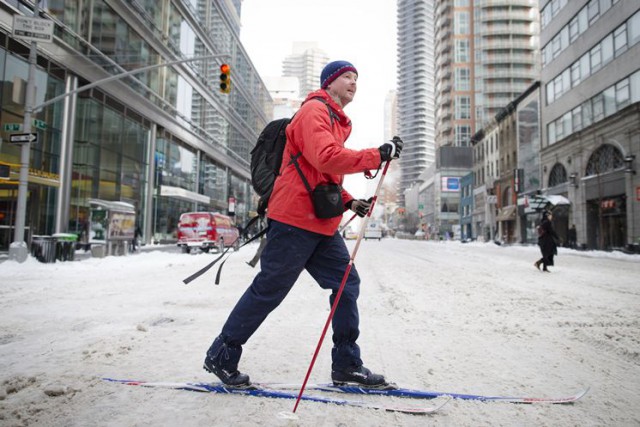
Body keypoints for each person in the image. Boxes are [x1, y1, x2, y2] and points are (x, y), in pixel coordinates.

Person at [202, 60, 403, 388]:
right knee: (269, 290)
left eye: (357, 78)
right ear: (330, 83)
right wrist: (375, 155)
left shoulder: (335, 119)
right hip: (293, 221)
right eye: (347, 77)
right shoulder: (314, 111)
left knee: (346, 284)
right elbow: (326, 157)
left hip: (320, 225)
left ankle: (347, 365)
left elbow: (321, 174)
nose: (354, 83)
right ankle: (221, 354)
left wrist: (350, 201)